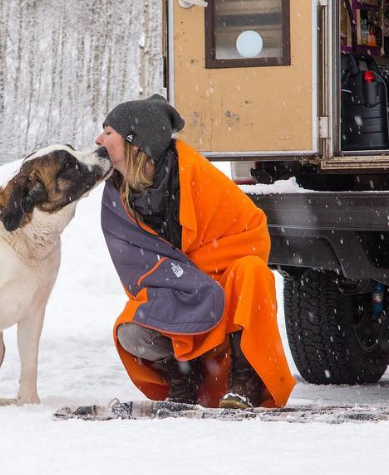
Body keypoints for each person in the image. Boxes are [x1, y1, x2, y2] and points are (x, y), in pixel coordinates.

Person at [95, 94, 295, 408]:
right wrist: (184, 279)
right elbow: (137, 266)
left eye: (108, 132)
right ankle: (185, 382)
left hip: (223, 288)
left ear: (135, 143)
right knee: (131, 332)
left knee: (253, 273)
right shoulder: (116, 195)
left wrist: (199, 274)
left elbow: (253, 234)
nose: (99, 139)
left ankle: (244, 381)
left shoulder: (194, 174)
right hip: (174, 287)